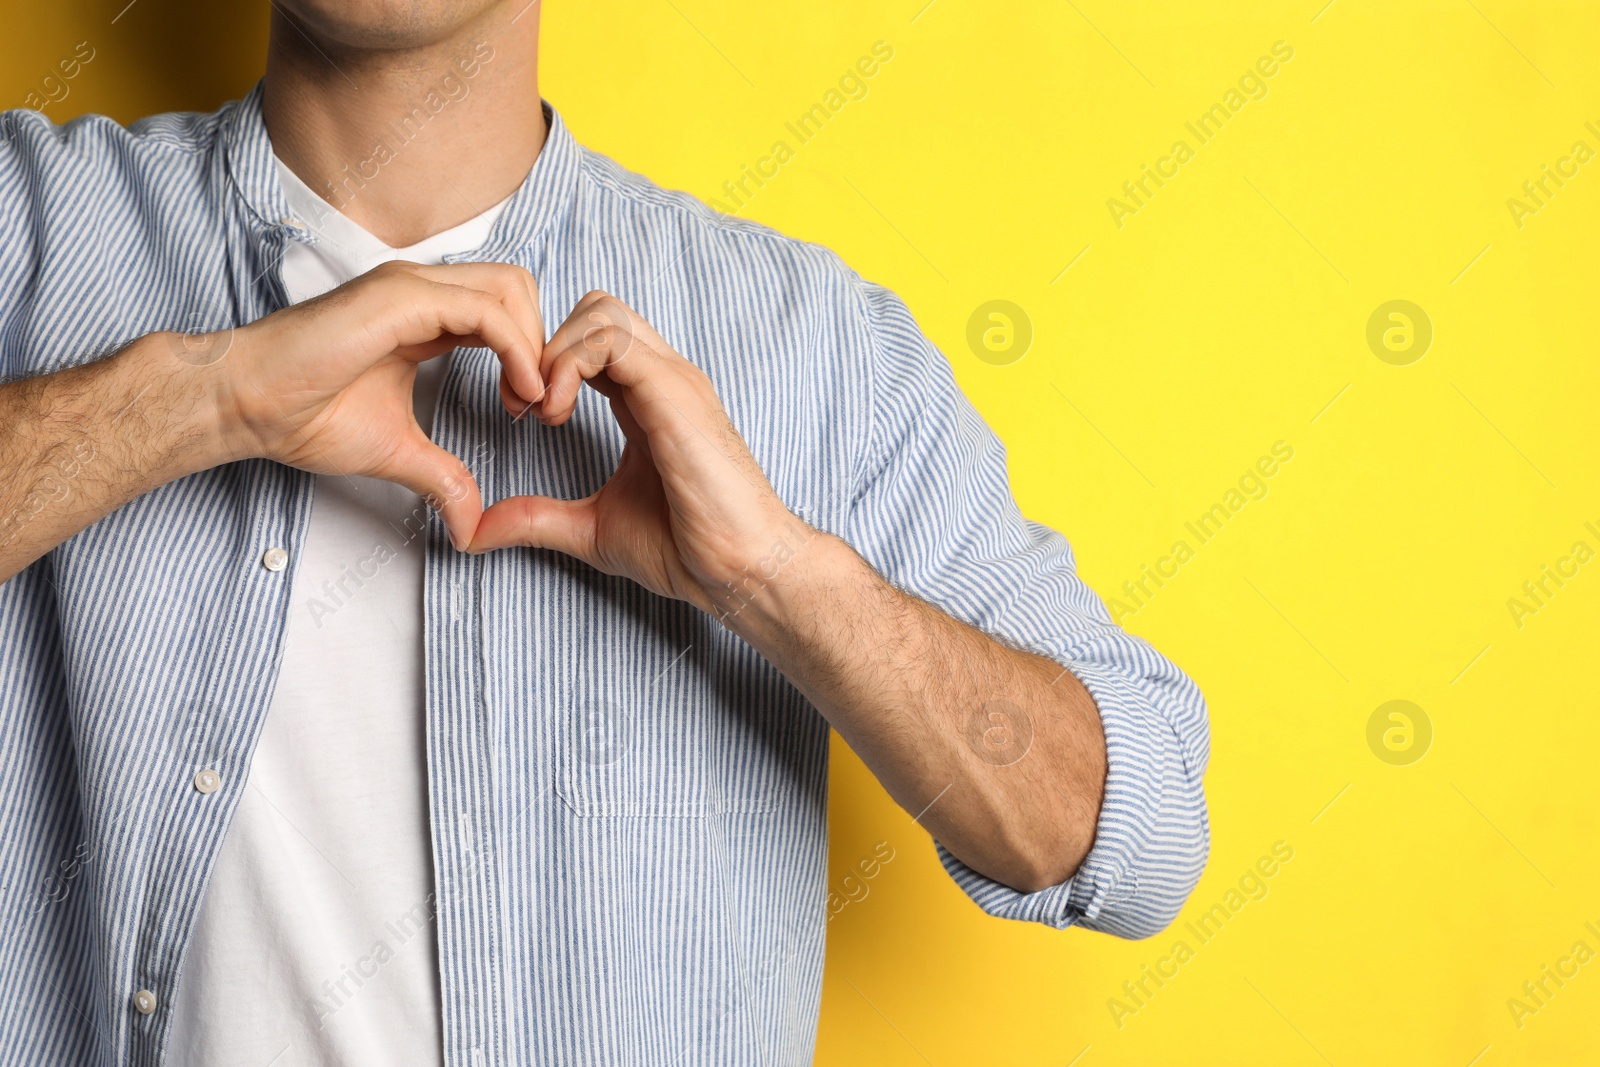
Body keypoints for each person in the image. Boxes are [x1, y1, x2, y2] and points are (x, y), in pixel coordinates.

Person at [0, 1, 1210, 1063]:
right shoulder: (28, 234)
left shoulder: (810, 345)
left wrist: (776, 578)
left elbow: (1128, 833)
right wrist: (199, 397)